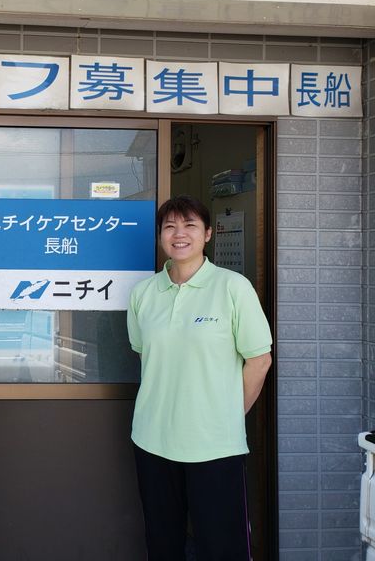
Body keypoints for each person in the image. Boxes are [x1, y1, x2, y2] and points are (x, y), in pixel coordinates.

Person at [126, 195, 272, 561]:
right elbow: (147, 355)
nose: (179, 234)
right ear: (160, 235)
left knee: (221, 547)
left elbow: (259, 361)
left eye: (189, 225)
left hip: (214, 445)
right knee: (162, 544)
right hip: (152, 440)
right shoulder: (143, 293)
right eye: (170, 227)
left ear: (208, 233)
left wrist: (226, 415)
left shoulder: (233, 287)